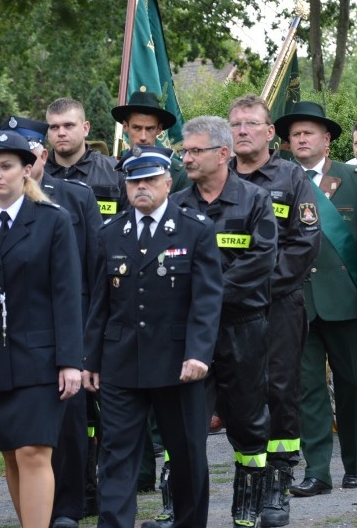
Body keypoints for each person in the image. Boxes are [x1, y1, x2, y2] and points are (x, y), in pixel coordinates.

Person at [0, 130, 84, 528]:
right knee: (10, 453)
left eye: (6, 167)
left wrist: (70, 362)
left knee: (33, 452)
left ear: (28, 170)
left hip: (40, 359)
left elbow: (67, 296)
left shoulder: (52, 221)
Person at [83, 146, 223, 528]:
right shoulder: (110, 232)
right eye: (134, 181)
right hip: (121, 362)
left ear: (166, 181)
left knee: (187, 454)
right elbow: (100, 301)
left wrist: (198, 353)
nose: (141, 187)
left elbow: (207, 300)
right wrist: (90, 361)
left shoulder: (194, 228)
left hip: (178, 364)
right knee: (116, 455)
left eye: (149, 180)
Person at [272, 101, 357, 495]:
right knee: (307, 389)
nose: (302, 139)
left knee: (355, 384)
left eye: (309, 133)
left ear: (327, 139)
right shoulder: (277, 180)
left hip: (345, 301)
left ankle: (355, 463)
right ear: (288, 143)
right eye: (295, 134)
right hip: (296, 302)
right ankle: (318, 470)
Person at [0, 115, 103, 528]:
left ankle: (70, 508)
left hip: (68, 327)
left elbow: (92, 271)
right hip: (10, 338)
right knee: (20, 442)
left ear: (36, 156)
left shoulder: (72, 197)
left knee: (72, 426)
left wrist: (87, 341)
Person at [170, 116, 278, 526]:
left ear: (222, 153)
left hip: (242, 326)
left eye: (196, 150)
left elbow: (261, 259)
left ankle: (248, 508)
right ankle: (177, 508)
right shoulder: (178, 204)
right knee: (183, 422)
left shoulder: (254, 200)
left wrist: (209, 297)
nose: (187, 158)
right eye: (185, 151)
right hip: (190, 334)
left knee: (249, 417)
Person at [226, 95, 321, 527]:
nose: (242, 130)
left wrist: (255, 289)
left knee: (279, 391)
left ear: (269, 133)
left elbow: (304, 244)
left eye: (251, 124)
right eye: (235, 124)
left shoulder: (291, 178)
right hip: (224, 311)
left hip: (278, 306)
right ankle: (247, 486)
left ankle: (277, 490)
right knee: (237, 397)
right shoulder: (216, 178)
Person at [45, 97, 126, 220]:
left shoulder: (115, 172)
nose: (61, 133)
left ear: (86, 128)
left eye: (69, 125)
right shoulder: (34, 174)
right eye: (54, 127)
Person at [111, 91, 191, 193]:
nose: (143, 137)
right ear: (125, 126)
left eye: (150, 129)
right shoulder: (110, 169)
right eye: (137, 128)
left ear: (159, 129)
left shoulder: (178, 174)